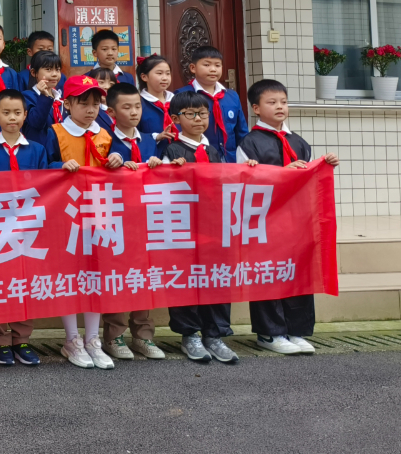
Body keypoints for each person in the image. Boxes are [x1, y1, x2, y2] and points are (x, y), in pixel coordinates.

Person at [239, 79, 339, 356]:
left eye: (283, 102)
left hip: (297, 220)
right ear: (256, 108)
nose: (280, 107)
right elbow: (244, 182)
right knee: (268, 273)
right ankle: (269, 332)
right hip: (265, 221)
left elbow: (308, 180)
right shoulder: (249, 143)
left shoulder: (299, 142)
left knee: (297, 272)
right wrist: (284, 173)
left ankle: (297, 330)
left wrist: (324, 165)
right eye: (272, 102)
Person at [162, 90, 256, 365]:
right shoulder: (171, 150)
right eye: (190, 114)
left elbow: (225, 183)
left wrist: (247, 169)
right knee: (186, 279)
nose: (198, 119)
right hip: (183, 228)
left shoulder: (214, 151)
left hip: (214, 227)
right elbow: (161, 189)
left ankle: (214, 334)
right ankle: (190, 334)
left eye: (203, 114)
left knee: (216, 278)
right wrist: (171, 170)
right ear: (176, 119)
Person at [49, 74, 120, 370]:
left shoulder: (104, 134)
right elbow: (42, 167)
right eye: (83, 103)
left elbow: (116, 165)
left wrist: (117, 159)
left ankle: (93, 339)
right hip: (66, 213)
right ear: (67, 104)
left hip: (98, 211)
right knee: (69, 275)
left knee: (94, 274)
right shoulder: (56, 132)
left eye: (95, 104)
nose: (91, 109)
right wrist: (58, 166)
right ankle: (72, 339)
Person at [0, 87, 50, 369]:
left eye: (17, 112)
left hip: (28, 227)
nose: (12, 118)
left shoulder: (37, 150)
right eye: (6, 112)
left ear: (26, 115)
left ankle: (22, 339)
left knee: (24, 282)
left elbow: (45, 186)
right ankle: (0, 340)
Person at [100, 81, 167, 363]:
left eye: (137, 106)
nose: (134, 112)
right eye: (126, 107)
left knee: (144, 276)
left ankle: (143, 335)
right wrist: (111, 163)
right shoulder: (105, 141)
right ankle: (114, 335)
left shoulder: (151, 140)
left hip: (147, 219)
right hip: (117, 220)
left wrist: (160, 166)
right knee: (119, 277)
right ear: (111, 112)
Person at [180, 45, 249, 163]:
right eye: (207, 65)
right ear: (193, 68)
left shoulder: (232, 96)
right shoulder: (183, 95)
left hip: (231, 159)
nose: (213, 69)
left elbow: (241, 131)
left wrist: (247, 156)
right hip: (198, 159)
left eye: (217, 65)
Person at [22, 49, 65, 153]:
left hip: (60, 150)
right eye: (48, 69)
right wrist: (44, 96)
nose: (54, 74)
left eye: (57, 70)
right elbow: (37, 122)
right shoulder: (27, 96)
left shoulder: (61, 100)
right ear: (34, 72)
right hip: (38, 151)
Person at [137, 54, 177, 139]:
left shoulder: (176, 100)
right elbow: (133, 133)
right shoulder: (138, 103)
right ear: (144, 77)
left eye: (168, 73)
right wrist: (156, 137)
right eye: (159, 73)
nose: (165, 78)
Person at [87, 67, 117, 133]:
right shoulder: (88, 111)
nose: (107, 87)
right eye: (101, 82)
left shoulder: (118, 109)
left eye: (111, 84)